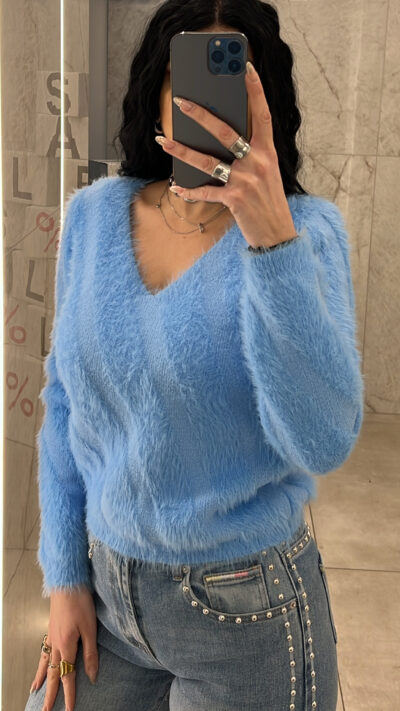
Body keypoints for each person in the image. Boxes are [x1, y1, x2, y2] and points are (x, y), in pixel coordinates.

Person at [25, 1, 364, 710]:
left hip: (248, 611)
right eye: (187, 81)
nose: (205, 107)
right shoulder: (94, 215)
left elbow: (323, 441)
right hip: (108, 601)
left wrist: (272, 246)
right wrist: (64, 576)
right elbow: (63, 404)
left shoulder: (307, 234)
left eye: (230, 84)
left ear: (264, 103)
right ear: (156, 91)